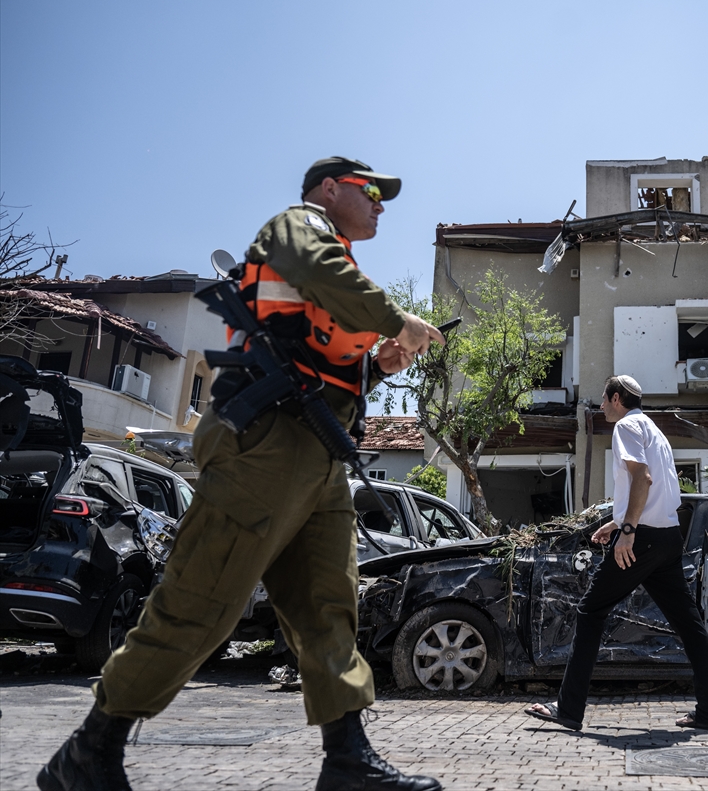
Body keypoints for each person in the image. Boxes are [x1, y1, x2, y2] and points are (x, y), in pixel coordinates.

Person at [39, 157, 445, 791]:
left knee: (327, 607)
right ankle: (89, 752)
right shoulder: (298, 228)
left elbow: (324, 364)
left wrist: (381, 365)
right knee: (204, 597)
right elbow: (321, 275)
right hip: (267, 443)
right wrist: (398, 321)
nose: (381, 207)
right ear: (330, 190)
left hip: (317, 453)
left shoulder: (330, 268)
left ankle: (347, 761)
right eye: (371, 194)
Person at [525, 374, 708, 733]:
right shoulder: (653, 429)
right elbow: (653, 488)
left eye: (603, 399)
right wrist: (618, 523)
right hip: (666, 537)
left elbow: (641, 479)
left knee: (590, 611)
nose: (600, 406)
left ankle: (569, 710)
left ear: (617, 398)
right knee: (689, 626)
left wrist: (628, 532)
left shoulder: (626, 428)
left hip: (643, 539)